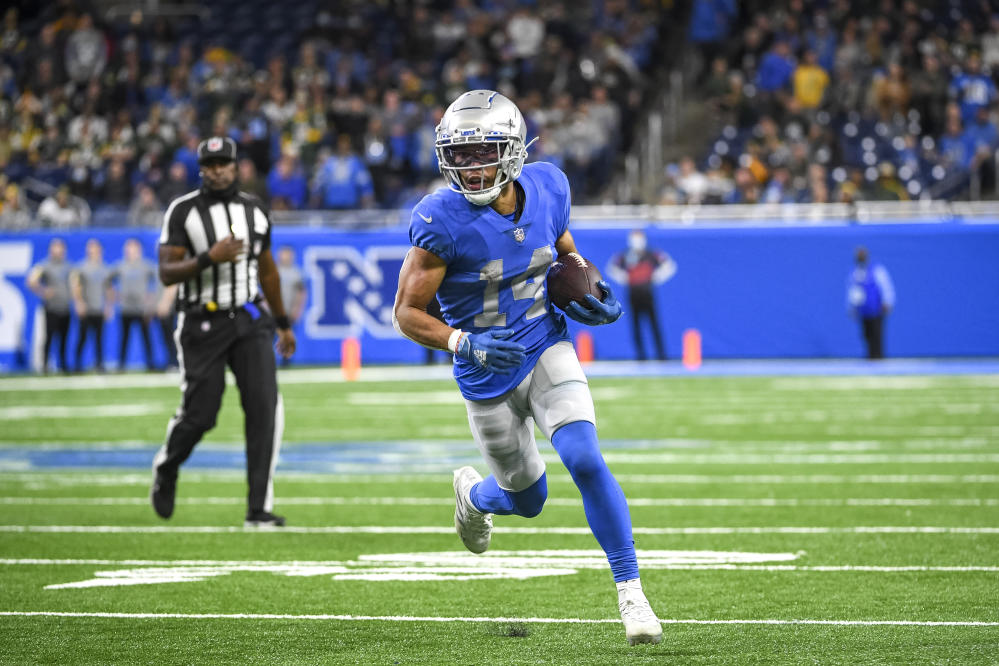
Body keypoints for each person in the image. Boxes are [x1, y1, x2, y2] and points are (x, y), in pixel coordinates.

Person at [393, 90, 662, 646]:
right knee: (528, 500)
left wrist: (587, 280)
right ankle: (474, 498)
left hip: (543, 342)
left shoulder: (548, 188)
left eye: (484, 152)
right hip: (485, 371)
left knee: (584, 457)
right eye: (460, 156)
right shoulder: (440, 220)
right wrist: (466, 343)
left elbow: (561, 248)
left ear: (514, 152)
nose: (471, 168)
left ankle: (631, 591)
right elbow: (407, 313)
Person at [153, 136, 297, 527]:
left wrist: (282, 323)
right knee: (201, 414)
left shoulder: (255, 210)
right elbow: (166, 271)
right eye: (210, 164)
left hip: (249, 319)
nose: (217, 170)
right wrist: (207, 258)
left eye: (224, 163)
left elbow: (266, 269)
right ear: (202, 168)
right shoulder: (183, 212)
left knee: (264, 408)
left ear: (236, 167)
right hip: (202, 321)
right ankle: (167, 466)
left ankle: (258, 509)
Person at [607, 230, 677, 361]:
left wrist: (657, 276)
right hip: (633, 293)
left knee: (654, 323)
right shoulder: (626, 255)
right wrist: (624, 278)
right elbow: (612, 267)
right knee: (636, 324)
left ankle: (661, 355)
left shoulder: (651, 254)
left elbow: (669, 264)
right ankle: (641, 355)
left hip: (647, 292)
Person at [26, 238, 72, 373]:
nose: (58, 251)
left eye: (60, 248)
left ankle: (63, 365)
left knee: (64, 338)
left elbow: (75, 284)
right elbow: (31, 281)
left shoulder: (68, 266)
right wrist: (43, 291)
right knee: (49, 337)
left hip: (65, 307)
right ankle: (45, 365)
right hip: (51, 307)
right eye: (55, 248)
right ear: (51, 250)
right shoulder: (44, 265)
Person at [112, 238, 158, 370]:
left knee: (146, 338)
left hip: (142, 309)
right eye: (129, 249)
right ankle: (121, 364)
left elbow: (157, 283)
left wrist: (150, 300)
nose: (131, 252)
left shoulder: (146, 266)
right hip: (125, 308)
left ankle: (151, 364)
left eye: (134, 249)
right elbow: (108, 282)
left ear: (139, 250)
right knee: (124, 338)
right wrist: (114, 296)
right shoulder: (120, 266)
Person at [71, 238, 113, 372]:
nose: (92, 251)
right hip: (86, 308)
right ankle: (77, 364)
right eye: (90, 248)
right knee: (82, 337)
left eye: (94, 249)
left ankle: (99, 363)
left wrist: (108, 306)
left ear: (100, 250)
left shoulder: (105, 269)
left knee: (99, 339)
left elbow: (109, 289)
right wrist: (79, 303)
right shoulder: (81, 267)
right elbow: (76, 286)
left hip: (99, 308)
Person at [847, 246, 895, 359]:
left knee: (876, 334)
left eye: (862, 255)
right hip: (863, 309)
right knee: (866, 335)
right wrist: (852, 307)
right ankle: (870, 357)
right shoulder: (854, 272)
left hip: (876, 308)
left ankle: (878, 357)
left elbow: (885, 286)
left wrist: (887, 301)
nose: (860, 258)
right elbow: (852, 290)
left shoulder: (877, 270)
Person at [276, 245, 306, 366]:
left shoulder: (296, 273)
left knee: (288, 337)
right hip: (275, 311)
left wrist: (297, 308)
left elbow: (301, 292)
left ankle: (286, 361)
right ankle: (269, 362)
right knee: (271, 336)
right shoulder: (274, 270)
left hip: (289, 311)